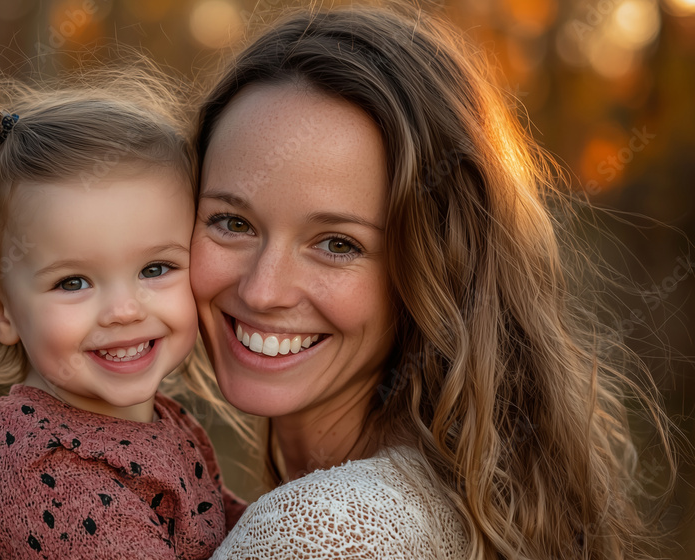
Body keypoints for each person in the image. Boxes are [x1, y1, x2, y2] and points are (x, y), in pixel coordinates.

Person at [186, 5, 676, 560]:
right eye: (233, 223)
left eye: (338, 244)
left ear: (436, 269)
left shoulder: (322, 535)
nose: (261, 290)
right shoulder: (454, 497)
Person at [0, 54, 245, 559]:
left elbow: (237, 530)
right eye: (73, 281)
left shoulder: (159, 423)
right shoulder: (41, 470)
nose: (124, 310)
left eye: (155, 269)